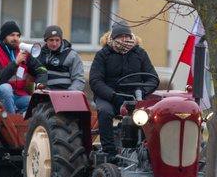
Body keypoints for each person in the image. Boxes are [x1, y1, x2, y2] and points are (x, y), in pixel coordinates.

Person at [89, 21, 158, 159]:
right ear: (113, 38)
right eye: (120, 37)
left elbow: (152, 79)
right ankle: (109, 153)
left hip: (135, 97)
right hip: (109, 96)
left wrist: (143, 92)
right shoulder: (102, 55)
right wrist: (114, 97)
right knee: (105, 111)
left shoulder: (140, 53)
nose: (124, 40)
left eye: (126, 36)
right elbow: (95, 81)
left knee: (153, 114)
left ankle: (148, 151)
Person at [0, 21, 47, 114]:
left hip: (16, 95)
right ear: (4, 37)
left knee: (36, 104)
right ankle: (10, 124)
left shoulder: (22, 52)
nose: (15, 38)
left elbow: (41, 69)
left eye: (18, 35)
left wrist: (39, 89)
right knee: (6, 88)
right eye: (12, 35)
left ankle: (15, 125)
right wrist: (15, 63)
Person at [37, 25, 85, 91]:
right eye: (51, 40)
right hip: (44, 94)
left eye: (57, 40)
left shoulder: (72, 55)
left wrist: (70, 94)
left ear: (61, 40)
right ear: (46, 40)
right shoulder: (38, 53)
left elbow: (79, 79)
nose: (54, 43)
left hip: (66, 95)